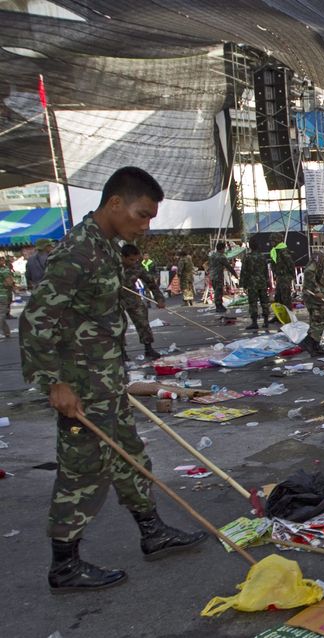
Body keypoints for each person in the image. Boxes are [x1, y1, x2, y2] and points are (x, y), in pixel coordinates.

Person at [20, 167, 205, 594]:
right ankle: (64, 564)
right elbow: (35, 319)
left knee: (130, 457)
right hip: (81, 387)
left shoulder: (105, 248)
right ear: (115, 203)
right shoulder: (79, 252)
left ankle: (152, 531)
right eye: (142, 215)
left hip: (106, 381)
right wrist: (53, 383)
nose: (146, 224)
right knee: (83, 470)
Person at [120, 244, 166, 359]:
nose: (133, 262)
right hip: (115, 298)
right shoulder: (112, 266)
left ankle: (148, 348)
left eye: (136, 259)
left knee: (142, 321)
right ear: (123, 257)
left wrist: (159, 299)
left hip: (132, 296)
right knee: (119, 325)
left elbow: (151, 283)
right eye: (131, 259)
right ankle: (121, 352)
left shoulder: (137, 267)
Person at [239, 240, 271, 330]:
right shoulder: (262, 257)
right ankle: (266, 321)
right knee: (264, 302)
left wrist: (242, 284)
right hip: (262, 282)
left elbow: (244, 271)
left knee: (253, 303)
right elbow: (266, 270)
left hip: (252, 283)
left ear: (250, 247)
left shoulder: (247, 257)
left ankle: (254, 322)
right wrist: (268, 281)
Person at [208, 241, 237, 313]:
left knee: (217, 291)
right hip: (218, 276)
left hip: (212, 275)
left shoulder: (213, 255)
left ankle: (219, 305)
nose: (224, 250)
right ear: (221, 249)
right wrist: (235, 274)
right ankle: (218, 306)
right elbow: (228, 266)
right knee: (219, 291)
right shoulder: (221, 257)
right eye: (224, 249)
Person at [269, 236, 296, 309]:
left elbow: (290, 264)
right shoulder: (275, 251)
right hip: (279, 277)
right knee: (278, 298)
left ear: (277, 240)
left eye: (273, 240)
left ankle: (288, 316)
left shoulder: (283, 251)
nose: (271, 243)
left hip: (285, 277)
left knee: (285, 297)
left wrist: (292, 276)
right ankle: (279, 316)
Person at [0, 256, 15, 337]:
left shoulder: (5, 269)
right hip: (2, 295)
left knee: (1, 314)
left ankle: (7, 332)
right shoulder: (4, 270)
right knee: (1, 315)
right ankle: (6, 331)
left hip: (2, 295)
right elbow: (9, 282)